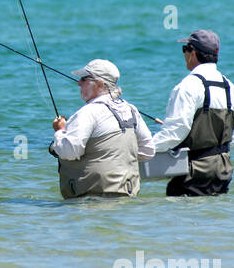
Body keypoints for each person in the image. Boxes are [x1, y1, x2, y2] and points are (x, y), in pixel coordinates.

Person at [151, 30, 234, 196]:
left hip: (193, 171)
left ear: (192, 52)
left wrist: (145, 149)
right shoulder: (230, 88)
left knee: (182, 211)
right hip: (223, 170)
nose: (184, 54)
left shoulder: (187, 86)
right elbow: (231, 137)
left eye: (185, 49)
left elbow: (174, 133)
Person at [49, 59, 155, 198]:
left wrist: (60, 131)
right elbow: (148, 151)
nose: (79, 83)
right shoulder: (131, 109)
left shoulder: (88, 112)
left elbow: (70, 151)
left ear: (100, 84)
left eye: (84, 79)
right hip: (127, 196)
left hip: (90, 200)